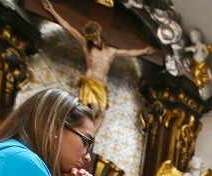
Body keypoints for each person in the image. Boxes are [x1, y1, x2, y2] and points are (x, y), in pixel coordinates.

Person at [41, 0, 155, 130]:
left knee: (101, 113)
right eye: (92, 39)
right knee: (92, 110)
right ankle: (78, 133)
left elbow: (129, 52)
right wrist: (52, 10)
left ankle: (89, 138)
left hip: (102, 86)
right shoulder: (87, 47)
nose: (95, 41)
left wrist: (144, 50)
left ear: (99, 36)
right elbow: (68, 27)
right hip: (90, 82)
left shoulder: (110, 51)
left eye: (96, 38)